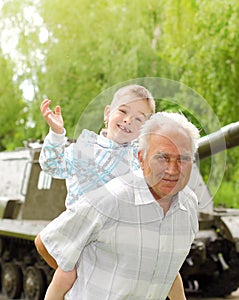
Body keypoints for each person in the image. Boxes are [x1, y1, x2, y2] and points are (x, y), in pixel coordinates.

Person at [39, 86, 186, 299]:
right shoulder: (85, 149)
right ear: (108, 113)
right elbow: (51, 165)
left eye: (139, 119)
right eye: (123, 112)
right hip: (85, 229)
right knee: (66, 274)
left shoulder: (141, 158)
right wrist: (57, 133)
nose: (128, 121)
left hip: (124, 230)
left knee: (167, 267)